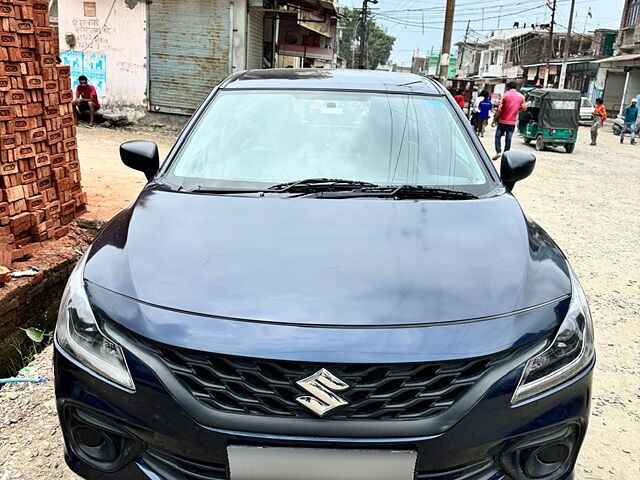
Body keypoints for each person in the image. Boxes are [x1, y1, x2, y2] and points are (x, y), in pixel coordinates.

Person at [491, 82, 527, 160]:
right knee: (508, 138)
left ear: (508, 88)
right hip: (512, 122)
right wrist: (517, 109)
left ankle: (498, 151)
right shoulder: (521, 97)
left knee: (498, 136)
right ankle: (506, 154)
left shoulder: (505, 95)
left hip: (502, 121)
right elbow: (524, 108)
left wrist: (494, 120)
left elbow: (499, 109)